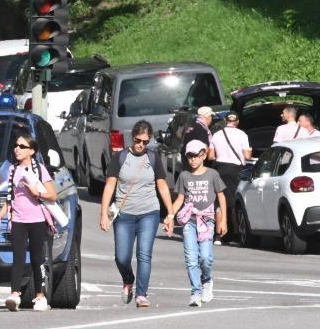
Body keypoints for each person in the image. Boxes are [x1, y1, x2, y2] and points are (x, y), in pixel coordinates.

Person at [98, 121, 174, 307]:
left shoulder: (153, 158)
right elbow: (110, 186)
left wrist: (170, 214)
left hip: (149, 212)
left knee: (144, 254)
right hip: (124, 214)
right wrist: (103, 214)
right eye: (139, 140)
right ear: (132, 137)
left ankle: (141, 294)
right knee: (122, 257)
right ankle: (128, 279)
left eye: (146, 142)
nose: (142, 145)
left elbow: (162, 186)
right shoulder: (120, 157)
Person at [0, 130, 59, 312]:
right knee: (18, 258)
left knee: (38, 259)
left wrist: (37, 193)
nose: (17, 149)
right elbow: (10, 197)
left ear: (32, 150)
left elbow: (52, 195)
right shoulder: (13, 170)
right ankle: (15, 295)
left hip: (37, 219)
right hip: (18, 220)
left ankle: (40, 296)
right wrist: (0, 216)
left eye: (22, 146)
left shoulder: (39, 169)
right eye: (16, 146)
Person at [167, 139, 228, 307]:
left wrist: (223, 220)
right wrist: (170, 216)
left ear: (204, 155)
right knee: (191, 258)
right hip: (189, 221)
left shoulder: (212, 174)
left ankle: (207, 280)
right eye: (190, 156)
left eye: (196, 156)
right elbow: (180, 199)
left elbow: (221, 197)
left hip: (207, 221)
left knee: (206, 258)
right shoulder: (184, 176)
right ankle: (195, 292)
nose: (193, 159)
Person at [210, 112, 251, 224]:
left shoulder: (216, 134)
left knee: (221, 199)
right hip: (236, 170)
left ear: (225, 121)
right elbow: (247, 156)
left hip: (220, 169)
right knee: (235, 200)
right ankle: (237, 228)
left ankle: (223, 231)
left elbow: (211, 156)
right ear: (237, 122)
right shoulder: (242, 134)